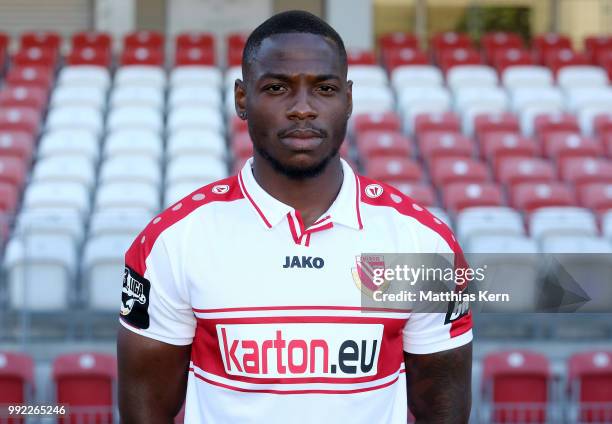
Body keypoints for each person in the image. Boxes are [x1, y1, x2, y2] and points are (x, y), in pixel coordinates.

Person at [117, 10, 472, 423]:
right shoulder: (175, 242)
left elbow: (442, 412)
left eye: (323, 88)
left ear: (349, 99)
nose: (302, 108)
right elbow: (146, 413)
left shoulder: (421, 245)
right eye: (277, 88)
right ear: (242, 99)